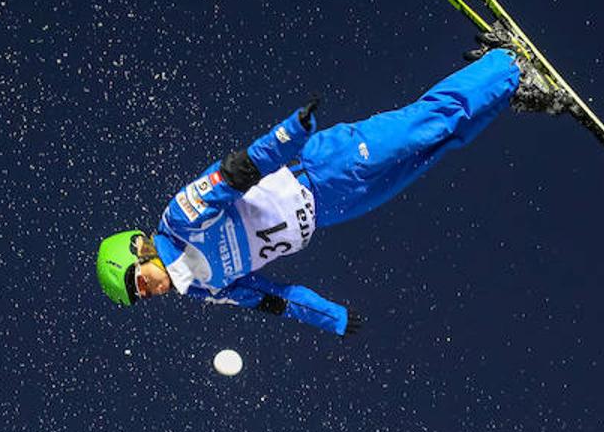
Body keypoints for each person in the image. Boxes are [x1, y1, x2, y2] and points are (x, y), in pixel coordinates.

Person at [95, 26, 579, 335]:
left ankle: (508, 63)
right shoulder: (205, 288)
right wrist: (334, 318)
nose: (150, 292)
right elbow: (273, 299)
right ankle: (509, 89)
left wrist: (290, 132)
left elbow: (240, 169)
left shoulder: (181, 220)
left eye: (140, 282)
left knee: (422, 126)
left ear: (139, 250)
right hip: (332, 209)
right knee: (436, 148)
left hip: (318, 168)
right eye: (142, 298)